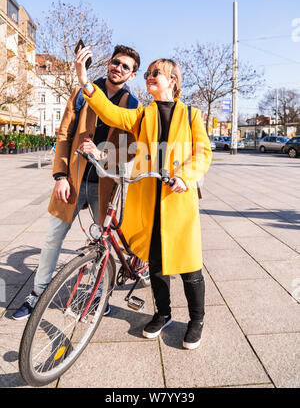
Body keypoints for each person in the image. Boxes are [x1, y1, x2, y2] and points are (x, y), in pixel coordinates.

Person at [75, 48, 212, 350]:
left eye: (155, 74)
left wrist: (185, 177)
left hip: (177, 201)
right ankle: (163, 314)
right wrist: (85, 81)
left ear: (173, 81)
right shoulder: (142, 114)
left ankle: (197, 320)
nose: (149, 77)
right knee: (156, 264)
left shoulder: (192, 116)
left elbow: (203, 153)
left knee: (190, 267)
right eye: (148, 74)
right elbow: (111, 113)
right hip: (147, 199)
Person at [12, 44, 140, 320]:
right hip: (73, 178)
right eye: (115, 62)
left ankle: (97, 293)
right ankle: (37, 294)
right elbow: (64, 135)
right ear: (108, 63)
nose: (118, 67)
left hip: (105, 183)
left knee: (100, 244)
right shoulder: (83, 93)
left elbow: (130, 147)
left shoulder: (133, 106)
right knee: (53, 237)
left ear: (132, 75)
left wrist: (103, 153)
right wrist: (59, 175)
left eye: (125, 66)